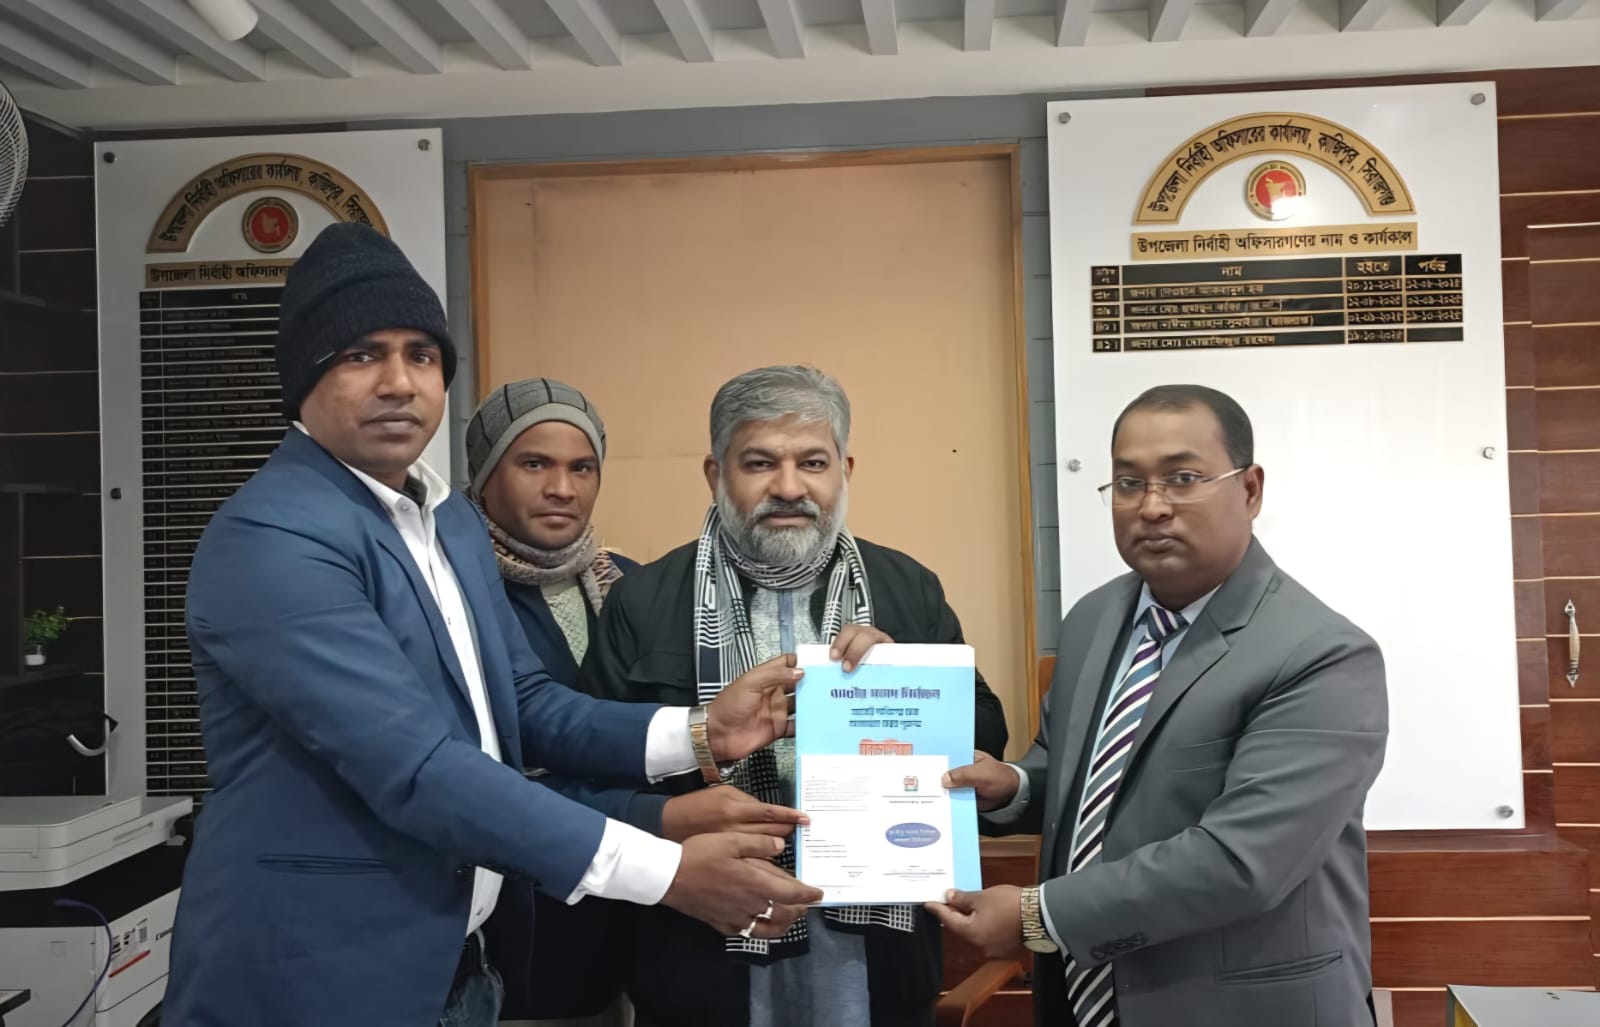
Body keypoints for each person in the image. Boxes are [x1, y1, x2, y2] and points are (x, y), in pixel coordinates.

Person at [161, 224, 823, 1027]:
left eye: (421, 355)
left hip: (463, 964)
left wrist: (700, 732)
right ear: (304, 373)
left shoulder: (447, 519)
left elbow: (525, 699)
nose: (399, 382)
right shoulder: (273, 536)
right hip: (318, 978)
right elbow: (416, 767)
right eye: (361, 354)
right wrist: (666, 870)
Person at [930, 384, 1388, 1027]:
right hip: (1083, 1001)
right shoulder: (1094, 619)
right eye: (1128, 483)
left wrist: (1040, 915)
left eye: (1182, 478)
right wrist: (1013, 785)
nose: (1152, 507)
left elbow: (1242, 861)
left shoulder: (1323, 654)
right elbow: (1085, 773)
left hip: (1240, 1008)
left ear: (1250, 489)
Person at [584, 364, 1010, 1027]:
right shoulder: (643, 601)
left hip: (875, 952)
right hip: (700, 943)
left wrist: (905, 686)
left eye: (812, 462)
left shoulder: (908, 588)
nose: (788, 487)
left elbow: (985, 739)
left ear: (845, 470)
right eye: (759, 463)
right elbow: (593, 770)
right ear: (715, 473)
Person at [465, 379, 808, 1026]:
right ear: (484, 475)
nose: (562, 487)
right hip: (520, 925)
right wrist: (667, 814)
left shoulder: (630, 582)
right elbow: (495, 769)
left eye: (582, 467)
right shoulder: (460, 595)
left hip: (645, 919)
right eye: (534, 463)